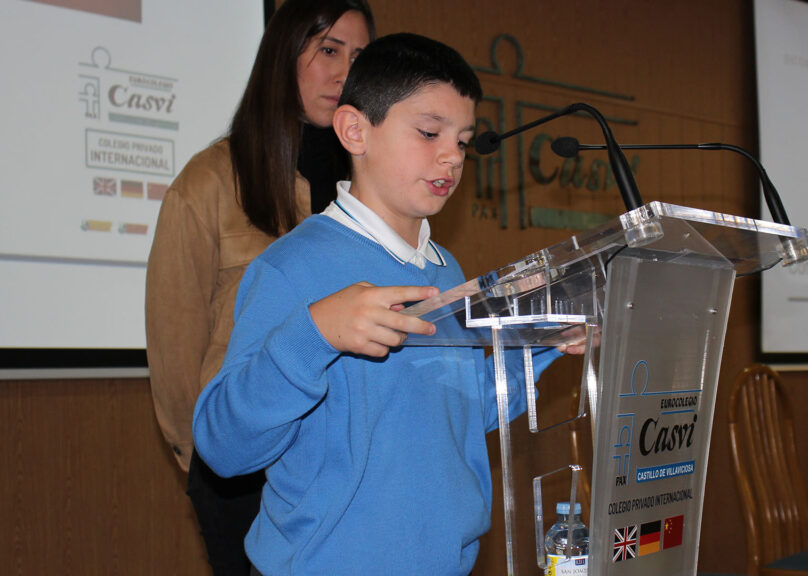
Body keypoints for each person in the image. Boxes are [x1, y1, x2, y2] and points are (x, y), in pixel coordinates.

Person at [192, 33, 581, 575]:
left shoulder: (445, 270)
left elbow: (455, 417)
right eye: (429, 132)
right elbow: (223, 446)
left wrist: (540, 344)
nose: (452, 156)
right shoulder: (291, 267)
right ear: (355, 130)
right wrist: (313, 334)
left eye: (463, 140)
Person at [144, 2, 374, 575]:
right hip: (243, 470)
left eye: (360, 57)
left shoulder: (376, 187)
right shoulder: (208, 183)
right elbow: (175, 352)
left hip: (349, 463)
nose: (345, 73)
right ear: (282, 57)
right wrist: (209, 460)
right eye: (328, 50)